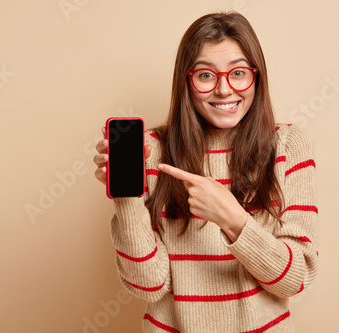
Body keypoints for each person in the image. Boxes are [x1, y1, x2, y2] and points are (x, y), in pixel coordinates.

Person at [93, 11, 318, 333]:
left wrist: (232, 218)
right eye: (205, 75)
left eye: (238, 73)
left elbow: (296, 279)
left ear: (257, 77)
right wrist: (126, 198)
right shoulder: (152, 150)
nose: (225, 90)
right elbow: (149, 286)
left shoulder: (288, 145)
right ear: (186, 80)